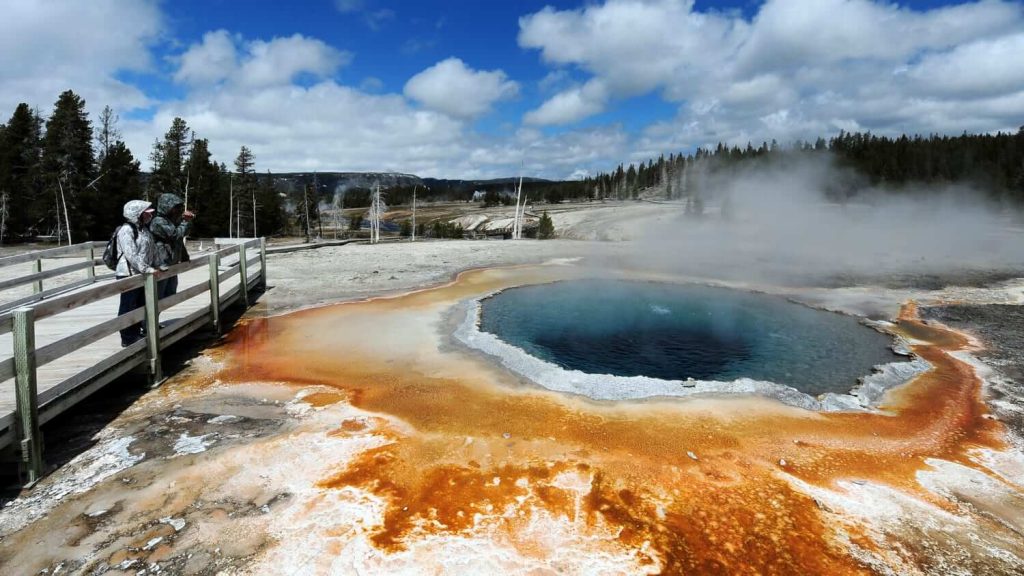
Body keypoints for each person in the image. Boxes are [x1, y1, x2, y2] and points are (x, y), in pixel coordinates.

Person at [116, 200, 160, 347]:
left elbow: (152, 248)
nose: (150, 215)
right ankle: (127, 337)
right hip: (128, 274)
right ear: (137, 214)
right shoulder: (126, 230)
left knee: (140, 304)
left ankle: (136, 332)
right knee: (128, 306)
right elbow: (131, 254)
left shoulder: (144, 230)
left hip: (141, 273)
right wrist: (147, 269)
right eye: (146, 213)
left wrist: (157, 264)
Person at [150, 193, 195, 298]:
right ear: (166, 206)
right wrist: (185, 222)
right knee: (158, 296)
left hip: (172, 264)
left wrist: (184, 256)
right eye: (174, 207)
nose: (176, 210)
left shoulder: (171, 221)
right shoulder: (158, 221)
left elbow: (179, 240)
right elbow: (175, 235)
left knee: (171, 295)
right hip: (161, 265)